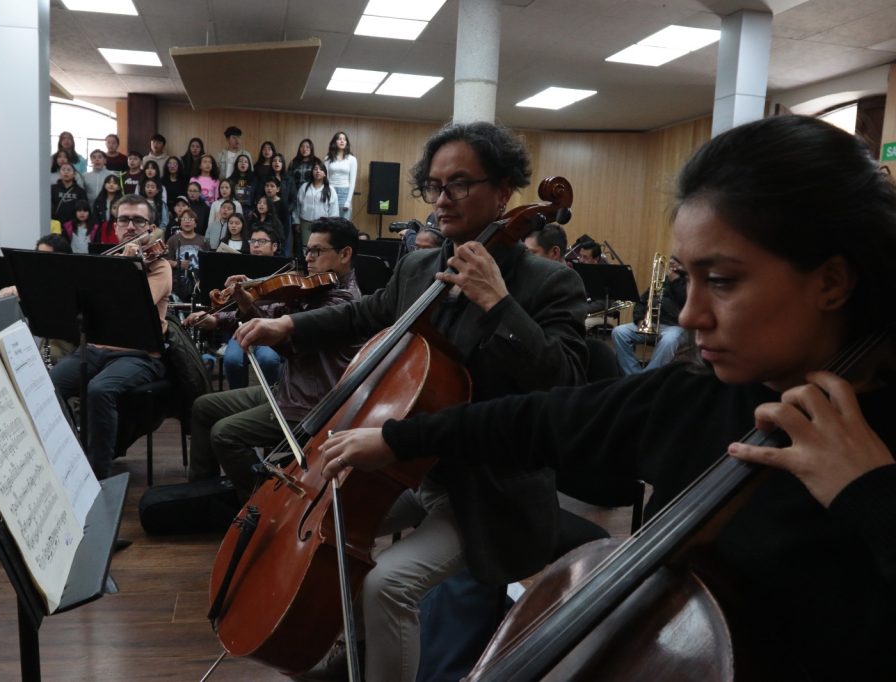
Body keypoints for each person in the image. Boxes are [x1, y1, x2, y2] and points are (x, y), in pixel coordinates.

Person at [318, 115, 896, 682]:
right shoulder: (699, 390)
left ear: (831, 281)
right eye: (686, 280)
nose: (690, 315)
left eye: (721, 280)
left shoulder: (875, 447)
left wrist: (870, 493)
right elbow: (539, 418)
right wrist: (394, 438)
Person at [235, 121, 589, 682]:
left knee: (388, 582)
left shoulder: (549, 283)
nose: (441, 200)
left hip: (487, 490)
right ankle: (350, 647)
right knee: (326, 527)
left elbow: (564, 383)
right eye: (434, 185)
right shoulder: (422, 266)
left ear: (502, 192)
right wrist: (290, 328)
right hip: (409, 468)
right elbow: (365, 315)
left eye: (459, 185)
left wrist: (499, 303)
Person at [185, 217, 363, 496]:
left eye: (317, 251)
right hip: (290, 388)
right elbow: (273, 314)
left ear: (345, 254)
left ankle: (264, 502)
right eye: (308, 249)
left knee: (225, 433)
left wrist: (247, 304)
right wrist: (217, 319)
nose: (308, 258)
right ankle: (200, 493)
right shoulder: (316, 290)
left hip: (310, 404)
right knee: (203, 407)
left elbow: (285, 342)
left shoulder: (342, 303)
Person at [49, 194, 172, 479]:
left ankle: (98, 473)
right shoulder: (104, 262)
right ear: (115, 227)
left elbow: (129, 307)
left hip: (140, 354)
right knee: (48, 385)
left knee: (99, 390)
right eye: (124, 220)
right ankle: (70, 452)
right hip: (94, 349)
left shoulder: (160, 266)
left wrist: (127, 268)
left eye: (138, 220)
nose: (130, 226)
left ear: (150, 228)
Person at [218, 227, 285, 390]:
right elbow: (230, 309)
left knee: (268, 360)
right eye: (253, 241)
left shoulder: (283, 272)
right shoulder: (238, 270)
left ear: (274, 246)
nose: (256, 245)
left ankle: (272, 400)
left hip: (269, 327)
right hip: (241, 327)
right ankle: (238, 398)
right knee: (232, 360)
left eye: (261, 241)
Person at [611, 254, 688, 374]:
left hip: (675, 327)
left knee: (669, 341)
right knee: (619, 332)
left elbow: (685, 301)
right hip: (652, 325)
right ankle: (633, 375)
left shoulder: (690, 282)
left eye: (677, 260)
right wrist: (640, 319)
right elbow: (642, 301)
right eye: (672, 259)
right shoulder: (662, 280)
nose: (672, 262)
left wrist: (676, 281)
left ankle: (648, 377)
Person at [293, 160, 339, 246]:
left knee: (320, 247)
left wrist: (331, 226)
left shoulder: (330, 190)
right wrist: (297, 222)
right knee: (306, 247)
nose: (318, 171)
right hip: (305, 223)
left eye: (321, 169)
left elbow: (334, 210)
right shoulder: (304, 187)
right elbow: (297, 206)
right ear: (312, 172)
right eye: (315, 169)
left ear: (325, 173)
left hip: (323, 224)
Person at [165, 207, 205, 301]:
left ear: (195, 223)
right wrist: (177, 264)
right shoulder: (172, 239)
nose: (187, 222)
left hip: (198, 281)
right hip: (179, 282)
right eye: (184, 219)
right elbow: (165, 260)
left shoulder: (203, 240)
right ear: (180, 223)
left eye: (190, 219)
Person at [324, 131, 358, 219]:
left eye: (344, 139)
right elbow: (325, 178)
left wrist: (348, 200)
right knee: (330, 221)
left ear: (346, 143)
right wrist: (327, 192)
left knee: (344, 223)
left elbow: (352, 181)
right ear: (335, 142)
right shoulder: (327, 158)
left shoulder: (352, 159)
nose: (342, 141)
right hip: (331, 191)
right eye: (339, 139)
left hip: (345, 192)